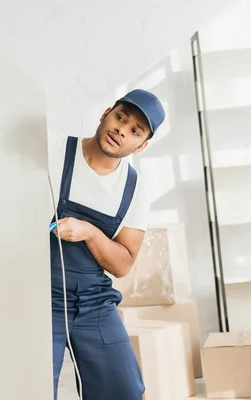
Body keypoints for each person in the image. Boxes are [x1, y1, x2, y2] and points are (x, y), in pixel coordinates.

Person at [48, 88, 165, 400]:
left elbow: (123, 264)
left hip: (93, 302)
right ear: (106, 113)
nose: (121, 130)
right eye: (120, 117)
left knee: (125, 390)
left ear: (142, 146)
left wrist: (90, 232)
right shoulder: (55, 150)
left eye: (134, 131)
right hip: (40, 298)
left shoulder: (135, 189)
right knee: (31, 386)